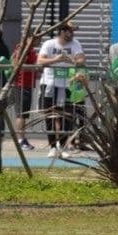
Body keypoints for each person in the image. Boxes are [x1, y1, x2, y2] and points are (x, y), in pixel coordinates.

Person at [37, 22, 85, 159]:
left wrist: (71, 61)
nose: (73, 33)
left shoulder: (75, 43)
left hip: (68, 84)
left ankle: (63, 146)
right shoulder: (49, 44)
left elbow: (81, 59)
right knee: (50, 115)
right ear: (62, 31)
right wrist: (56, 59)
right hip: (49, 83)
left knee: (67, 116)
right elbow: (40, 61)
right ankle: (52, 146)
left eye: (73, 30)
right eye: (70, 31)